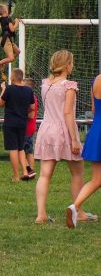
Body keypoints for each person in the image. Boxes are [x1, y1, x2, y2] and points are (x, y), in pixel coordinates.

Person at [34, 50, 83, 225]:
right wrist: (75, 139)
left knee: (44, 174)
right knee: (77, 172)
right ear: (67, 65)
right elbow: (68, 112)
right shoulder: (69, 85)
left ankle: (41, 214)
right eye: (72, 62)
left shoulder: (45, 84)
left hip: (46, 129)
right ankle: (79, 210)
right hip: (64, 130)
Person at [67, 72, 101, 228]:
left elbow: (94, 109)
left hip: (97, 131)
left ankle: (75, 206)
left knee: (97, 179)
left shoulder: (97, 79)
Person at [0, 68, 35, 182]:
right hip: (23, 122)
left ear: (13, 78)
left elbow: (0, 103)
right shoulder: (29, 91)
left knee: (13, 149)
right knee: (21, 148)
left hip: (10, 122)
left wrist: (3, 89)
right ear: (22, 78)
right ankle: (25, 171)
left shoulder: (9, 89)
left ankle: (16, 176)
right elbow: (33, 107)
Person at [0, 4, 21, 79]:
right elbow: (12, 29)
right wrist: (16, 22)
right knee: (11, 58)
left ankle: (2, 63)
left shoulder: (2, 19)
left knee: (18, 52)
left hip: (7, 39)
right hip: (6, 40)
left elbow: (8, 27)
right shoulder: (8, 19)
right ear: (6, 10)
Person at [22, 76, 38, 179]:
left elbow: (31, 115)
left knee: (23, 150)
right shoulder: (32, 97)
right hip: (29, 128)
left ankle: (29, 169)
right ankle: (30, 171)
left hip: (27, 128)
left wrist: (18, 114)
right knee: (28, 150)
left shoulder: (31, 98)